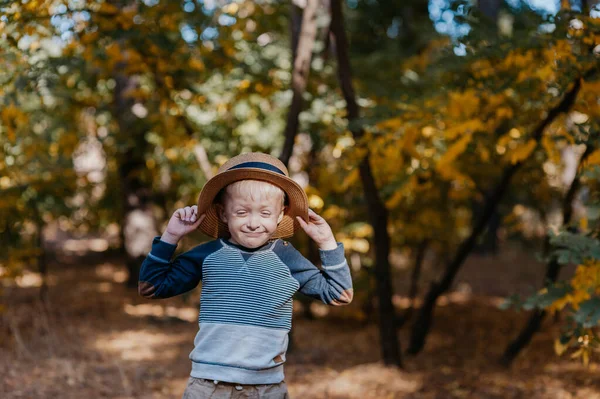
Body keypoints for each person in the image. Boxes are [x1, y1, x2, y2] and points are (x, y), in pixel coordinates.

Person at [138, 152, 353, 399]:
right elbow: (151, 287)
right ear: (222, 213)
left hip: (266, 388)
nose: (253, 223)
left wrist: (326, 242)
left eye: (264, 213)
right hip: (209, 386)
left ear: (280, 214)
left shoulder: (287, 258)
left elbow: (340, 294)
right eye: (241, 212)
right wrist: (170, 238)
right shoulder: (208, 255)